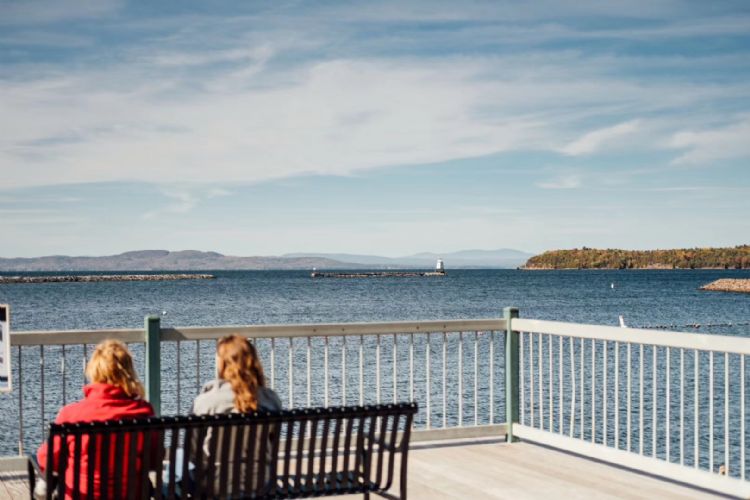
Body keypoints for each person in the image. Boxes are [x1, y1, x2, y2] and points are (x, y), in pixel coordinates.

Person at [36, 340, 155, 499]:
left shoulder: (71, 414)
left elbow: (48, 460)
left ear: (95, 371)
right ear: (129, 371)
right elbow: (154, 459)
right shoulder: (144, 412)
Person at [191, 335, 282, 495]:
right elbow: (271, 445)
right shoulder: (271, 400)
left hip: (215, 484)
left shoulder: (205, 402)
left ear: (222, 365)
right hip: (260, 482)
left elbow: (193, 452)